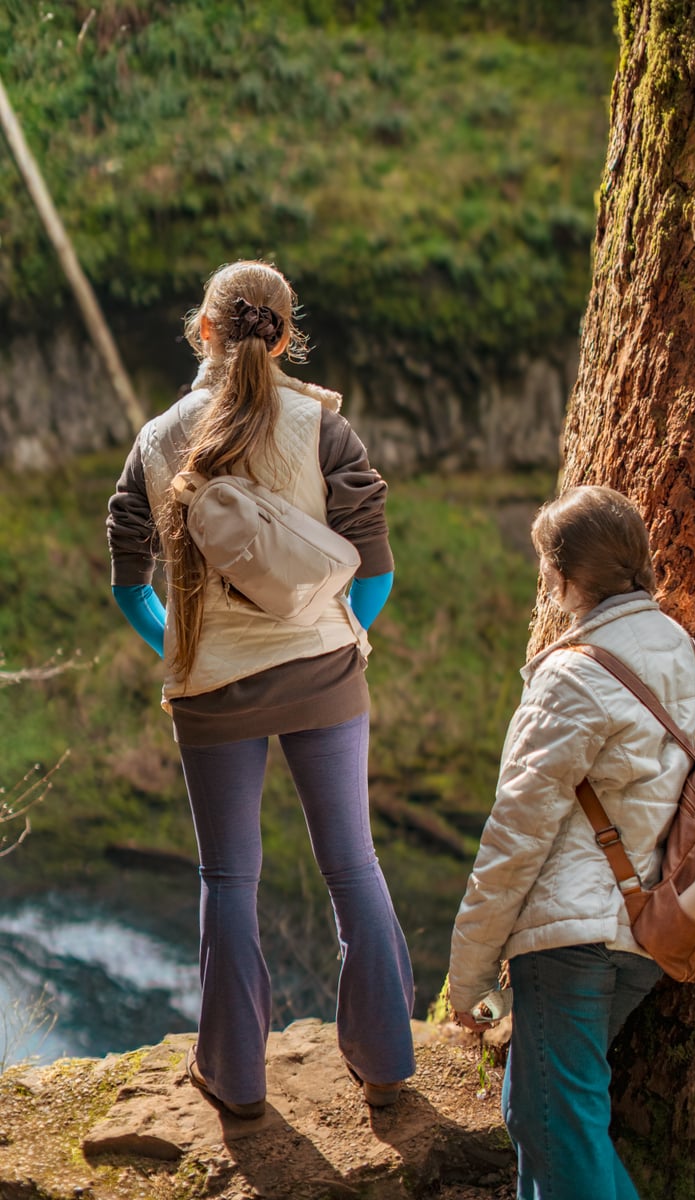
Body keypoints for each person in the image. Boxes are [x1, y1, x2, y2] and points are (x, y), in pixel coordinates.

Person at [107, 259, 415, 1118]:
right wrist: (343, 637)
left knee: (229, 881)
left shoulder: (158, 438)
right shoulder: (321, 424)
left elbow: (128, 579)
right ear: (284, 336)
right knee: (354, 865)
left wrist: (182, 649)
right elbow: (376, 567)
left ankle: (235, 1081)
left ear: (201, 330)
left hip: (211, 691)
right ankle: (387, 1063)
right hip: (324, 673)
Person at [448, 485, 695, 1200]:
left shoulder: (574, 674)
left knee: (554, 1132)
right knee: (543, 1122)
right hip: (650, 933)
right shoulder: (689, 659)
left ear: (562, 577)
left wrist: (470, 972)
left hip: (574, 940)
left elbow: (516, 832)